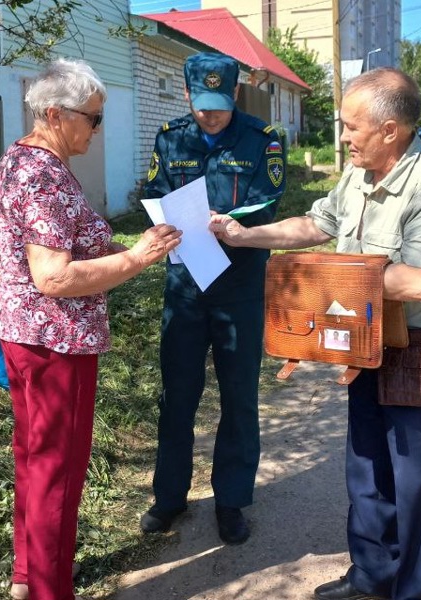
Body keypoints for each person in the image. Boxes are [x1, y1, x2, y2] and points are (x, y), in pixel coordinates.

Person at [209, 67, 421, 600]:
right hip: (368, 336)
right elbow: (317, 224)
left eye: (352, 126)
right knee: (367, 465)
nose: (344, 137)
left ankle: (417, 591)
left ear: (390, 129)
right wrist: (246, 237)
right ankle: (371, 578)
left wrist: (322, 279)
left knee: (417, 481)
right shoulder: (359, 173)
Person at [0, 57, 181, 600]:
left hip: (26, 335)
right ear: (54, 114)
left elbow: (70, 247)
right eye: (92, 119)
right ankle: (51, 590)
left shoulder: (23, 160)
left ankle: (29, 576)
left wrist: (134, 246)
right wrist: (139, 260)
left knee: (34, 459)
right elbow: (55, 277)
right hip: (56, 342)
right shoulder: (43, 175)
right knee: (58, 471)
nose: (99, 129)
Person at [139, 52, 287, 545]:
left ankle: (231, 500)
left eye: (220, 105)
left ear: (235, 94)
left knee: (239, 397)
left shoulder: (261, 141)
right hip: (185, 287)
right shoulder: (170, 136)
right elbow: (156, 190)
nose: (211, 114)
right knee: (177, 396)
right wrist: (159, 221)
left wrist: (235, 224)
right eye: (202, 105)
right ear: (187, 96)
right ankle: (169, 496)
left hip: (240, 286)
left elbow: (270, 200)